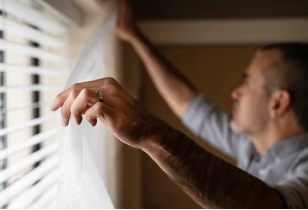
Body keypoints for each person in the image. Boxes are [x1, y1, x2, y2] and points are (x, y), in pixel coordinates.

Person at [51, 0, 308, 209]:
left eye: (247, 83)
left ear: (278, 103)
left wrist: (148, 131)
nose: (235, 93)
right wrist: (135, 37)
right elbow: (189, 104)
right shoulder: (250, 146)